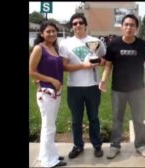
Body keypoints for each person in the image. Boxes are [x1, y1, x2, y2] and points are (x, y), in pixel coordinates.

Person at [99, 14, 145, 159]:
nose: (129, 27)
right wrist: (103, 80)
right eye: (126, 25)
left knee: (138, 119)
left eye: (132, 25)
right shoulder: (113, 44)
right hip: (118, 90)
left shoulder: (143, 44)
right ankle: (114, 146)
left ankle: (141, 145)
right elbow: (108, 65)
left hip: (137, 89)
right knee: (117, 119)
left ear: (136, 28)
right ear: (122, 26)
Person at [59, 13, 106, 159]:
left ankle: (97, 145)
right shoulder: (65, 43)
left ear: (85, 25)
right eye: (74, 23)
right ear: (72, 26)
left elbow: (104, 60)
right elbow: (64, 67)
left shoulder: (95, 41)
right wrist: (83, 66)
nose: (77, 25)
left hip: (92, 85)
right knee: (76, 120)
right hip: (74, 87)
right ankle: (78, 146)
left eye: (80, 22)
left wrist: (97, 61)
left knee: (94, 117)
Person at [29, 20, 66, 167]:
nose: (51, 34)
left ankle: (50, 155)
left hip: (55, 92)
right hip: (46, 93)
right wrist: (50, 80)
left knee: (50, 126)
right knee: (48, 127)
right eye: (48, 31)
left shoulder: (54, 47)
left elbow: (43, 68)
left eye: (53, 31)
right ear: (42, 34)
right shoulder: (39, 48)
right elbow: (31, 71)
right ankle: (47, 161)